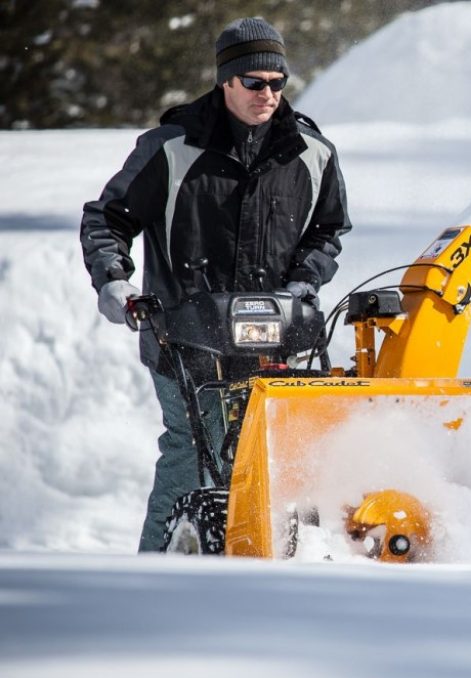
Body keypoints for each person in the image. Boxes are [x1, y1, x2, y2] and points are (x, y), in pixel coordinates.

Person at [80, 17, 352, 552]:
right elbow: (107, 219)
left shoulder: (312, 152)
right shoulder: (172, 148)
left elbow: (328, 231)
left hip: (279, 338)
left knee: (283, 455)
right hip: (185, 334)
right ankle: (159, 565)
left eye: (277, 83)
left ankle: (284, 564)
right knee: (192, 451)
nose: (267, 94)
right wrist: (114, 281)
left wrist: (303, 283)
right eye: (254, 82)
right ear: (225, 81)